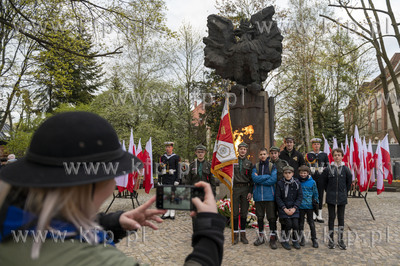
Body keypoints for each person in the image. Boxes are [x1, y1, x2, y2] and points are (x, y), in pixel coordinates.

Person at [0, 112, 225, 265]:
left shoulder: (11, 220)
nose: (114, 183)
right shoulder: (96, 259)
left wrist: (111, 223)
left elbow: (53, 227)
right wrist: (209, 234)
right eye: (112, 174)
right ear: (89, 185)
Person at [322, 148, 352, 250]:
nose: (337, 157)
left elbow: (349, 183)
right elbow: (324, 183)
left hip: (342, 197)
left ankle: (340, 239)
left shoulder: (346, 169)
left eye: (339, 155)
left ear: (342, 156)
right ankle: (331, 240)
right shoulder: (328, 169)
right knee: (331, 218)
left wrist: (343, 192)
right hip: (331, 196)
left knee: (341, 218)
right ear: (332, 157)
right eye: (335, 155)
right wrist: (329, 191)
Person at [252, 148, 278, 249]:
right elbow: (254, 178)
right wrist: (266, 176)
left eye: (264, 154)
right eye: (261, 154)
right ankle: (261, 237)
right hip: (258, 196)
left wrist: (260, 179)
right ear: (259, 156)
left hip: (269, 196)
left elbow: (273, 180)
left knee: (271, 218)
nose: (263, 156)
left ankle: (272, 238)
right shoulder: (256, 166)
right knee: (260, 217)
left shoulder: (272, 166)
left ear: (267, 155)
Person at [275, 166, 303, 250]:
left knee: (295, 224)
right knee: (288, 224)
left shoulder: (297, 183)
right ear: (283, 174)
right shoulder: (280, 183)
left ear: (293, 174)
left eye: (289, 173)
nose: (287, 175)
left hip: (294, 208)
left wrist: (294, 208)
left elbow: (300, 196)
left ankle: (294, 240)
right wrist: (284, 208)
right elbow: (278, 197)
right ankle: (285, 240)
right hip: (284, 208)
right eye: (286, 173)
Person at [232, 142, 253, 245]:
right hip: (235, 188)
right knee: (235, 212)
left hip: (245, 188)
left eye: (244, 149)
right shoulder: (232, 162)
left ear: (246, 151)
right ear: (238, 150)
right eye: (241, 149)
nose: (242, 151)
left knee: (244, 212)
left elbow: (251, 179)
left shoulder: (249, 163)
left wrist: (250, 191)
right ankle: (235, 234)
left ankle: (243, 235)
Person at [268, 146, 289, 246]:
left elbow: (288, 177)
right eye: (272, 153)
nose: (273, 155)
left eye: (275, 153)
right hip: (271, 194)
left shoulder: (283, 164)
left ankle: (284, 237)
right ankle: (273, 236)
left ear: (278, 154)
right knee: (272, 217)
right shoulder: (267, 164)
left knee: (283, 216)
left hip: (282, 194)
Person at [305, 137, 329, 223]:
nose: (316, 146)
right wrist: (309, 169)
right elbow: (305, 166)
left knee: (320, 195)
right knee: (311, 195)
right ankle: (313, 214)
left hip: (321, 178)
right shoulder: (308, 155)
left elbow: (327, 165)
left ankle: (319, 214)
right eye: (315, 144)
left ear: (320, 145)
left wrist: (323, 169)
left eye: (318, 144)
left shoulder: (324, 155)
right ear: (312, 145)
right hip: (312, 178)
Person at [297, 165, 319, 248]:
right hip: (300, 206)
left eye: (304, 173)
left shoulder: (312, 182)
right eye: (301, 173)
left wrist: (317, 203)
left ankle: (314, 239)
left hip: (309, 206)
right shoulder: (297, 181)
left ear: (308, 173)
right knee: (300, 223)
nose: (303, 174)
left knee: (311, 223)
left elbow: (316, 193)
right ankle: (302, 238)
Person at [158, 141, 180, 219]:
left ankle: (172, 212)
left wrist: (177, 179)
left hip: (172, 178)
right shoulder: (163, 157)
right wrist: (159, 179)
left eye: (169, 147)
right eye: (166, 147)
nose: (167, 149)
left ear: (172, 148)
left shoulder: (176, 157)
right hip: (165, 178)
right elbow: (159, 168)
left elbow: (178, 169)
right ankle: (167, 212)